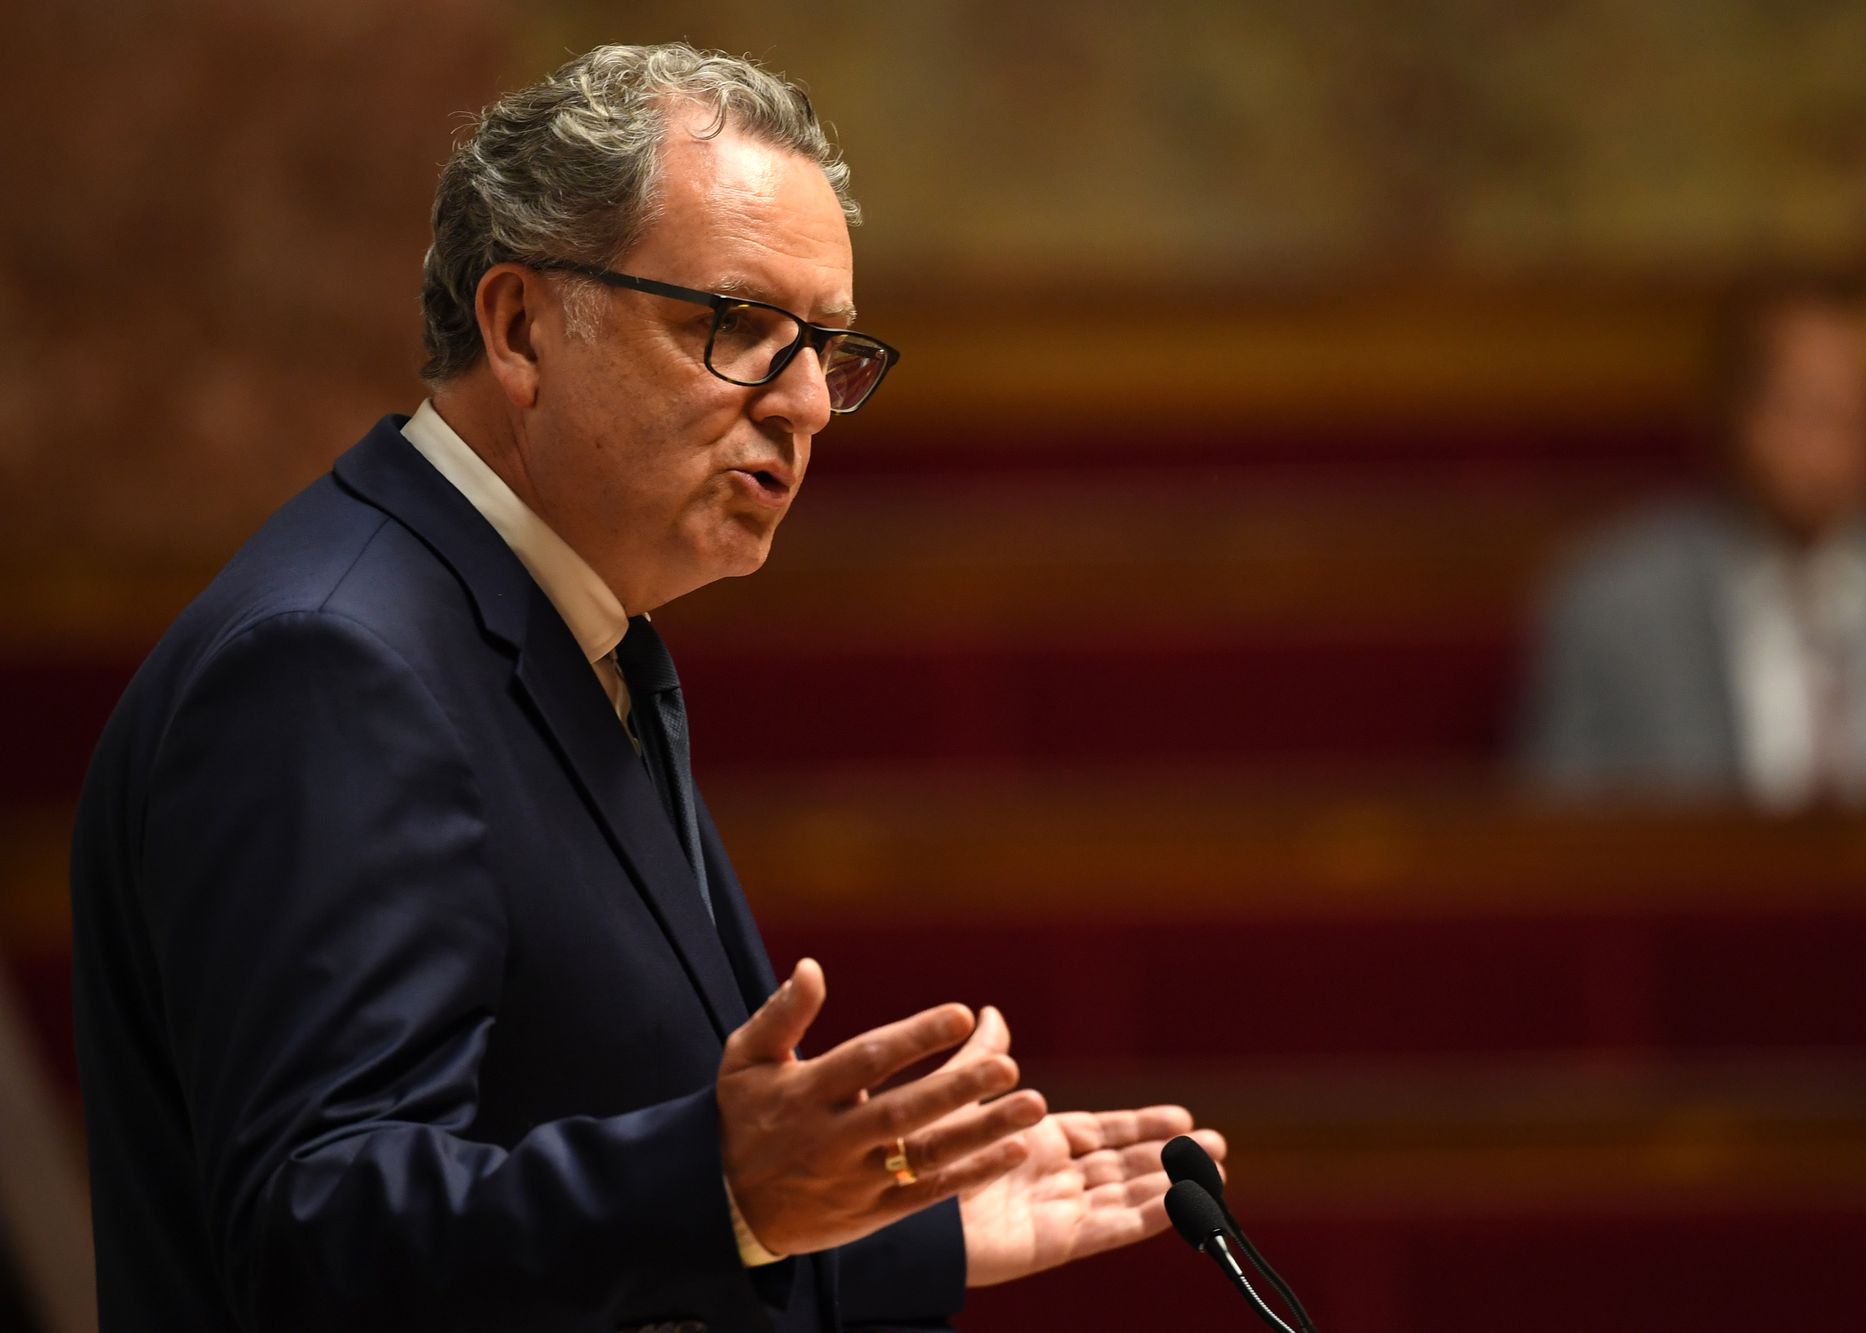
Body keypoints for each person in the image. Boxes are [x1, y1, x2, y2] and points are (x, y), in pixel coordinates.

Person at [70, 44, 1223, 1333]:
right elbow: (315, 1233)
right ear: (519, 327)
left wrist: (902, 1240)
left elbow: (578, 1147)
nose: (804, 405)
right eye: (733, 326)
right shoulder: (332, 665)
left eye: (825, 349)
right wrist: (723, 1186)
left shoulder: (574, 623)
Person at [1518, 273, 1866, 809]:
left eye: (1859, 412)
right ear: (1736, 414)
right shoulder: (1616, 605)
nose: (1828, 446)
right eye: (1805, 410)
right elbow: (1558, 843)